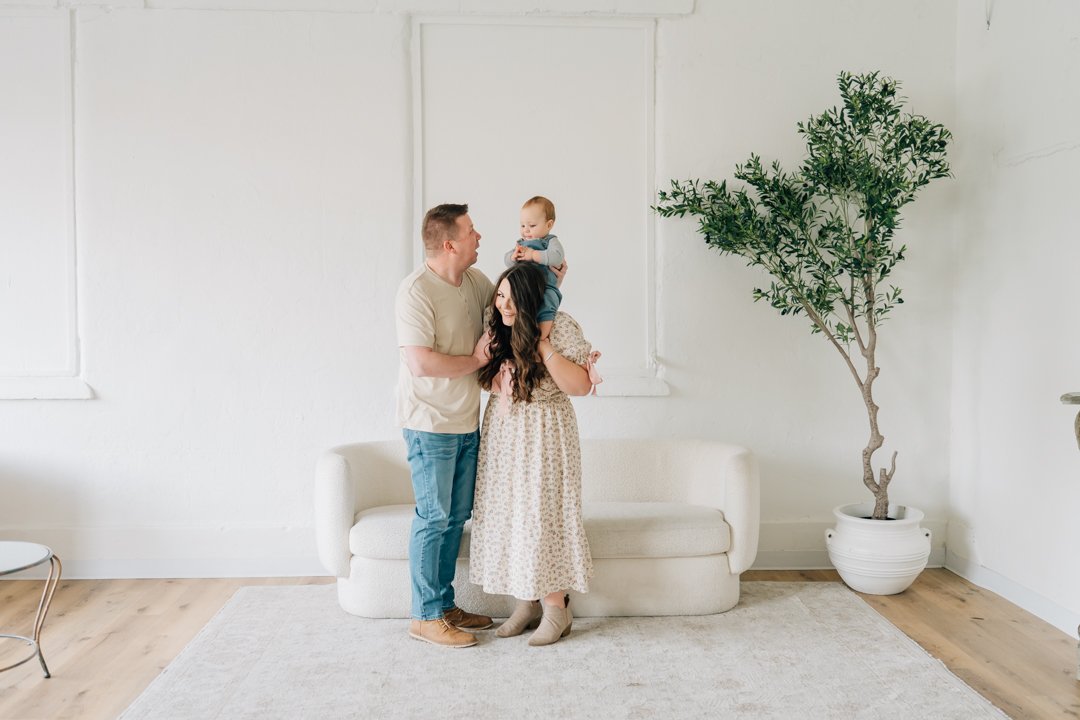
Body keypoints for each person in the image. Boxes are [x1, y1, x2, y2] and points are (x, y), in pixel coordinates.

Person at [469, 262, 600, 647]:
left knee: (543, 516)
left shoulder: (558, 326)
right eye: (500, 295)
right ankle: (525, 603)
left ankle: (556, 608)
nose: (503, 305)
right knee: (511, 516)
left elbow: (579, 386)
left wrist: (543, 345)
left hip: (546, 434)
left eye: (511, 298)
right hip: (506, 433)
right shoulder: (498, 329)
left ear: (530, 300)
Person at [395, 203, 497, 649]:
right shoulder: (415, 291)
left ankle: (444, 606)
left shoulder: (475, 283)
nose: (480, 237)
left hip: (465, 421)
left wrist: (549, 278)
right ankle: (423, 617)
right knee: (433, 517)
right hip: (429, 424)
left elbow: (511, 306)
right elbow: (420, 362)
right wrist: (476, 361)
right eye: (472, 232)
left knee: (455, 517)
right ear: (450, 242)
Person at [503, 196, 564, 341]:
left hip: (545, 287)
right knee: (515, 304)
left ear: (549, 225)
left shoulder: (549, 241)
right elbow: (507, 261)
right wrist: (513, 257)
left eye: (532, 225)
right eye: (523, 226)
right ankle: (517, 335)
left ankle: (542, 336)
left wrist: (533, 255)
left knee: (547, 303)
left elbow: (557, 257)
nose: (526, 230)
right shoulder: (521, 243)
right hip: (524, 287)